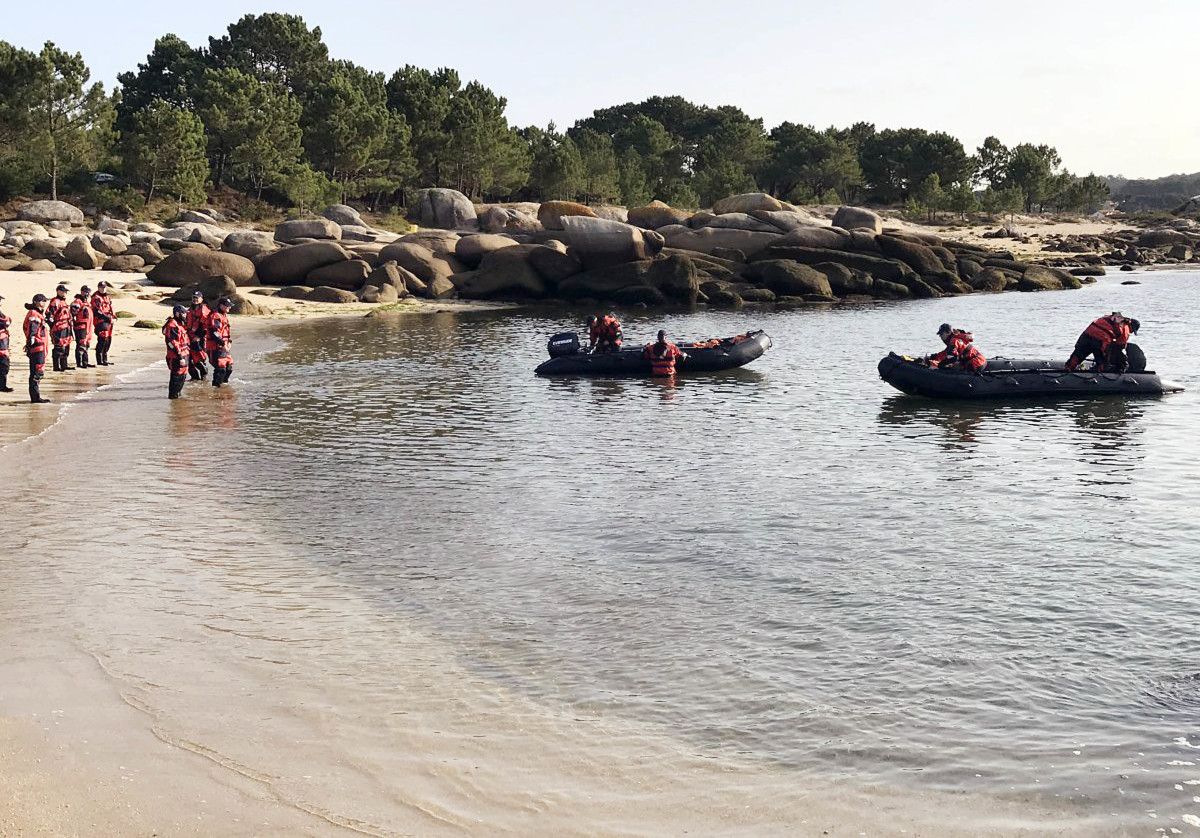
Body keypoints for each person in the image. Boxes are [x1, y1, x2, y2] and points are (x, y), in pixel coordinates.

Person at [1065, 312, 1139, 372]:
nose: (1131, 332)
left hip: (1086, 335)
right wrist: (1122, 363)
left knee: (1078, 355)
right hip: (1099, 340)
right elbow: (1119, 347)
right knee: (1103, 363)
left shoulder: (1110, 317)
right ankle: (1100, 372)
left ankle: (1068, 369)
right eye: (1132, 331)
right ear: (1131, 326)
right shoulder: (1125, 327)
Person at [22, 294, 51, 403]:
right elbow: (32, 330)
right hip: (37, 347)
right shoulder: (34, 314)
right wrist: (31, 341)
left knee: (36, 372)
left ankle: (36, 396)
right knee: (37, 372)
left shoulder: (37, 313)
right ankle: (35, 397)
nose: (45, 303)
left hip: (40, 347)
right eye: (43, 301)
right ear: (37, 302)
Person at [162, 305, 190, 399]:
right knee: (176, 377)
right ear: (177, 313)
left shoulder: (181, 324)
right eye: (183, 313)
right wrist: (180, 357)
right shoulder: (172, 324)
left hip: (184, 353)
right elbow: (172, 343)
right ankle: (173, 399)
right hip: (176, 356)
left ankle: (177, 399)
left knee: (183, 376)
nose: (185, 315)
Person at [206, 296, 234, 387]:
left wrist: (229, 342)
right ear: (221, 305)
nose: (229, 307)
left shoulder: (224, 315)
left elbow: (225, 331)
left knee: (229, 368)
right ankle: (216, 390)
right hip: (215, 347)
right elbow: (215, 333)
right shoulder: (216, 316)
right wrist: (223, 344)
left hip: (224, 346)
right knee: (220, 369)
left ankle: (223, 387)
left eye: (230, 306)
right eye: (227, 306)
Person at [184, 290, 211, 381]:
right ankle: (194, 378)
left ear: (201, 299)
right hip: (189, 337)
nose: (195, 299)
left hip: (200, 337)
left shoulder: (204, 310)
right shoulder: (190, 309)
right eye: (193, 298)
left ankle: (204, 376)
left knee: (199, 358)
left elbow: (206, 325)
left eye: (197, 298)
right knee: (189, 359)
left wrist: (198, 336)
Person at [46, 283, 73, 372]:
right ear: (58, 291)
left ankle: (64, 365)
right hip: (59, 328)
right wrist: (53, 326)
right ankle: (56, 366)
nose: (65, 293)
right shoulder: (55, 302)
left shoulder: (63, 301)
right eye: (63, 291)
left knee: (66, 346)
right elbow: (49, 315)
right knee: (59, 347)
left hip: (66, 326)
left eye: (65, 291)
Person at [91, 280, 115, 366]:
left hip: (109, 320)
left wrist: (113, 316)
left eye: (104, 287)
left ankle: (105, 359)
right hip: (100, 321)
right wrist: (106, 317)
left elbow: (110, 307)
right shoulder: (96, 297)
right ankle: (99, 360)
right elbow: (97, 311)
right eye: (101, 287)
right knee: (102, 339)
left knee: (108, 339)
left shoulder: (107, 297)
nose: (103, 289)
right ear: (98, 288)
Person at [70, 286, 94, 369]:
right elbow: (73, 312)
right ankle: (79, 363)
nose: (87, 294)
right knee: (81, 344)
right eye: (85, 292)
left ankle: (85, 362)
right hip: (80, 326)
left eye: (88, 292)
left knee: (86, 344)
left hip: (88, 327)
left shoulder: (87, 303)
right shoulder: (77, 301)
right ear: (81, 292)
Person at [0, 293, 13, 393]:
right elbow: (5, 322)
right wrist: (6, 322)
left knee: (4, 365)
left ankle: (2, 385)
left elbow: (8, 320)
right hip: (1, 342)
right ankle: (2, 386)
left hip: (3, 341)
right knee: (4, 364)